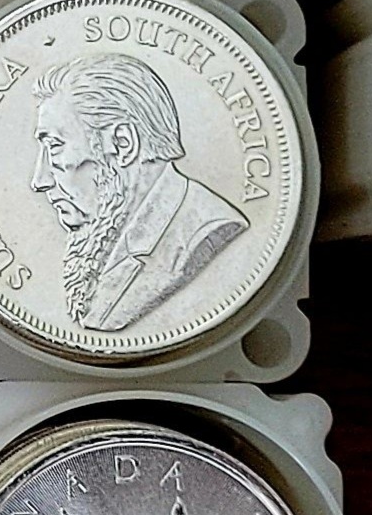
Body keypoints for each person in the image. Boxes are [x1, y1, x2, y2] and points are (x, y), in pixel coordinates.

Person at [25, 54, 248, 334]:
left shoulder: (199, 232)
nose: (40, 180)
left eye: (55, 147)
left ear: (122, 143)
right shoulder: (109, 232)